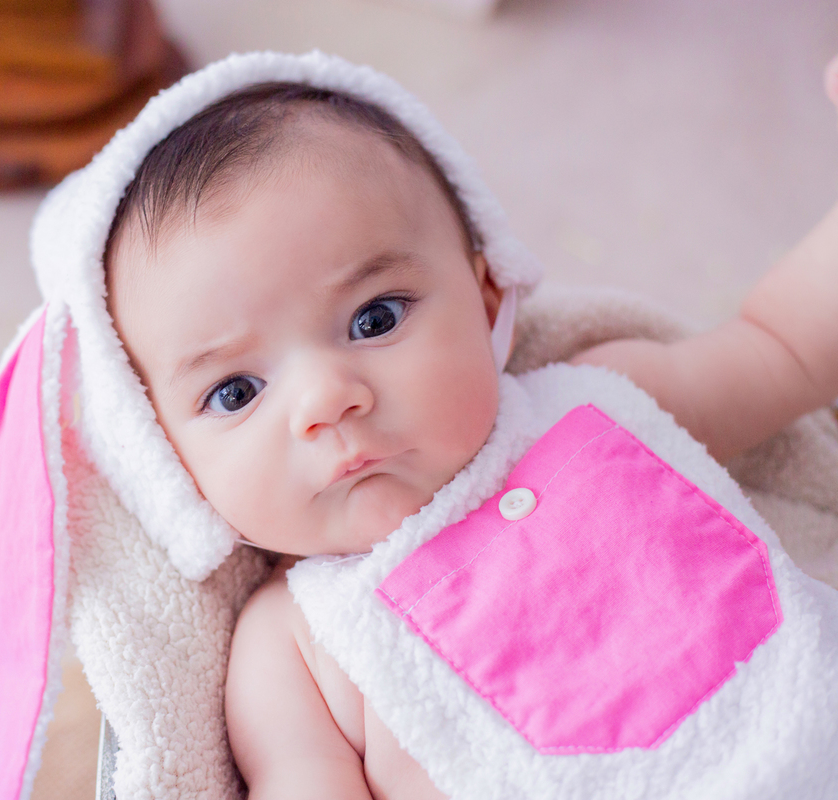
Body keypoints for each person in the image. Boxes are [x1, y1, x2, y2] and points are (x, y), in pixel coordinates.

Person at [99, 62, 838, 798]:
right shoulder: (290, 646)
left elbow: (784, 347)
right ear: (169, 461)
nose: (325, 400)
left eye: (374, 319)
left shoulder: (598, 402)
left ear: (487, 303)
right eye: (235, 392)